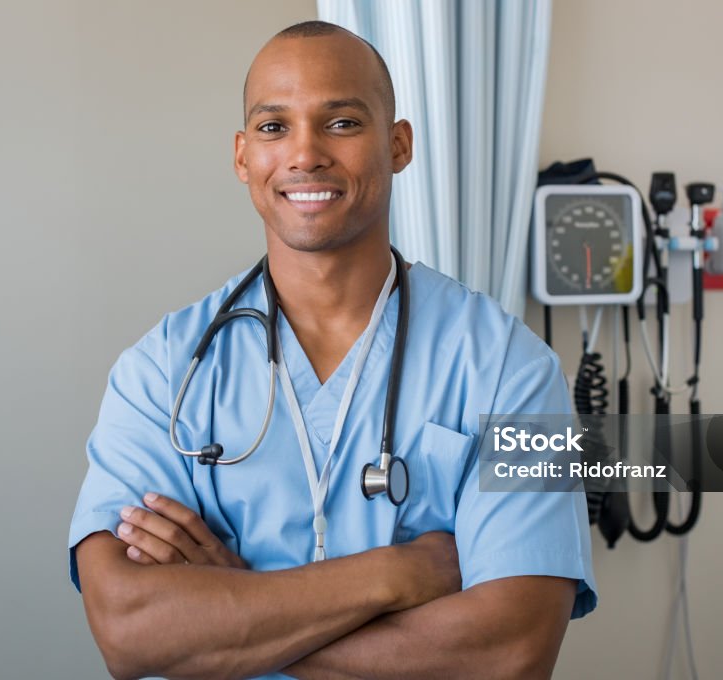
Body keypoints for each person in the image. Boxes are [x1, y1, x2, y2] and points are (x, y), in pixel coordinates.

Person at [70, 20, 597, 680]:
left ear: (398, 144)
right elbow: (129, 629)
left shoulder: (516, 371)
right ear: (242, 157)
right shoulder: (159, 374)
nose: (305, 153)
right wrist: (398, 574)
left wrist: (231, 615)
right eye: (273, 128)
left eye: (342, 123)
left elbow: (511, 652)